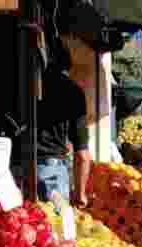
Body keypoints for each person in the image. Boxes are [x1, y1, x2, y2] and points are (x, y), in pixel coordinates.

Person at [36, 36, 93, 209]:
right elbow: (82, 155)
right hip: (51, 174)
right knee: (55, 231)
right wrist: (80, 194)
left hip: (15, 170)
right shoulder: (73, 92)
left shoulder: (20, 84)